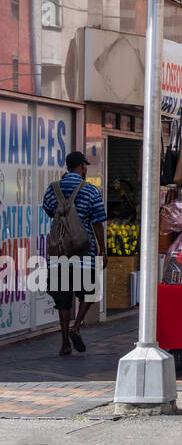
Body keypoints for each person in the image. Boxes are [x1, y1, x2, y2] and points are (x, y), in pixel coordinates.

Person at [41, 151, 106, 357]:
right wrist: (102, 249)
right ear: (82, 167)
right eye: (84, 166)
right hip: (84, 250)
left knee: (63, 298)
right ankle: (76, 326)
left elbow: (51, 211)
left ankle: (64, 344)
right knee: (90, 291)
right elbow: (97, 222)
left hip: (60, 251)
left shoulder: (53, 189)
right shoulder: (90, 191)